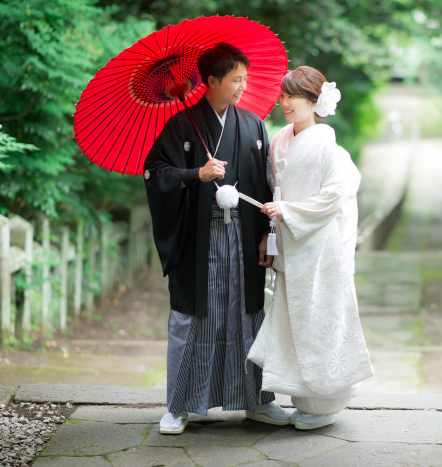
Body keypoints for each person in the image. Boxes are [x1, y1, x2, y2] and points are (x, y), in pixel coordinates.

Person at [143, 42, 292, 435]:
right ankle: (179, 405)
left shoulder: (252, 125)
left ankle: (257, 400)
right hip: (200, 238)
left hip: (244, 236)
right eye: (235, 80)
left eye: (245, 79)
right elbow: (155, 173)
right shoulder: (181, 125)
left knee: (247, 314)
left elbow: (263, 184)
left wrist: (266, 236)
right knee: (195, 317)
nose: (243, 87)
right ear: (211, 81)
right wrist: (196, 175)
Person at [248, 66, 374, 431]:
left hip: (320, 245)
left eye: (291, 96)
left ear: (313, 102)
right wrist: (271, 228)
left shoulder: (325, 142)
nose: (283, 102)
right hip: (291, 241)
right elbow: (276, 190)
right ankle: (302, 401)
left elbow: (336, 194)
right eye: (283, 95)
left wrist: (289, 210)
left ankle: (324, 403)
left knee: (321, 320)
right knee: (292, 322)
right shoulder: (280, 139)